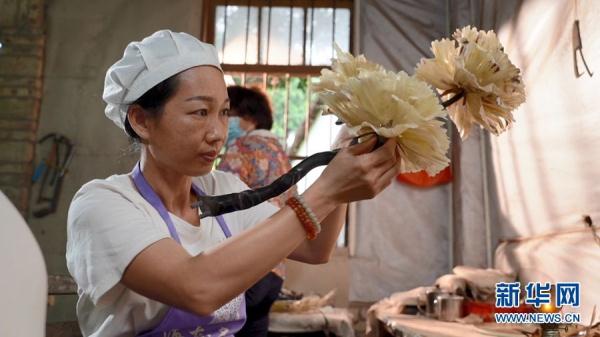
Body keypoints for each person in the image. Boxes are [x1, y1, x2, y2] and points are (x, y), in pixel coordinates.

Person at [66, 30, 401, 337]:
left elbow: (315, 248)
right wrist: (327, 190)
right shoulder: (102, 205)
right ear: (141, 120)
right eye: (200, 112)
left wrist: (343, 155)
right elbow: (197, 287)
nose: (218, 133)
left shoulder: (223, 190)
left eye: (224, 113)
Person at [217, 85, 295, 337]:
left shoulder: (244, 147)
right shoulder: (280, 152)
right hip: (276, 268)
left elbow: (221, 203)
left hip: (247, 266)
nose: (222, 121)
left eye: (227, 113)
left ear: (248, 117)